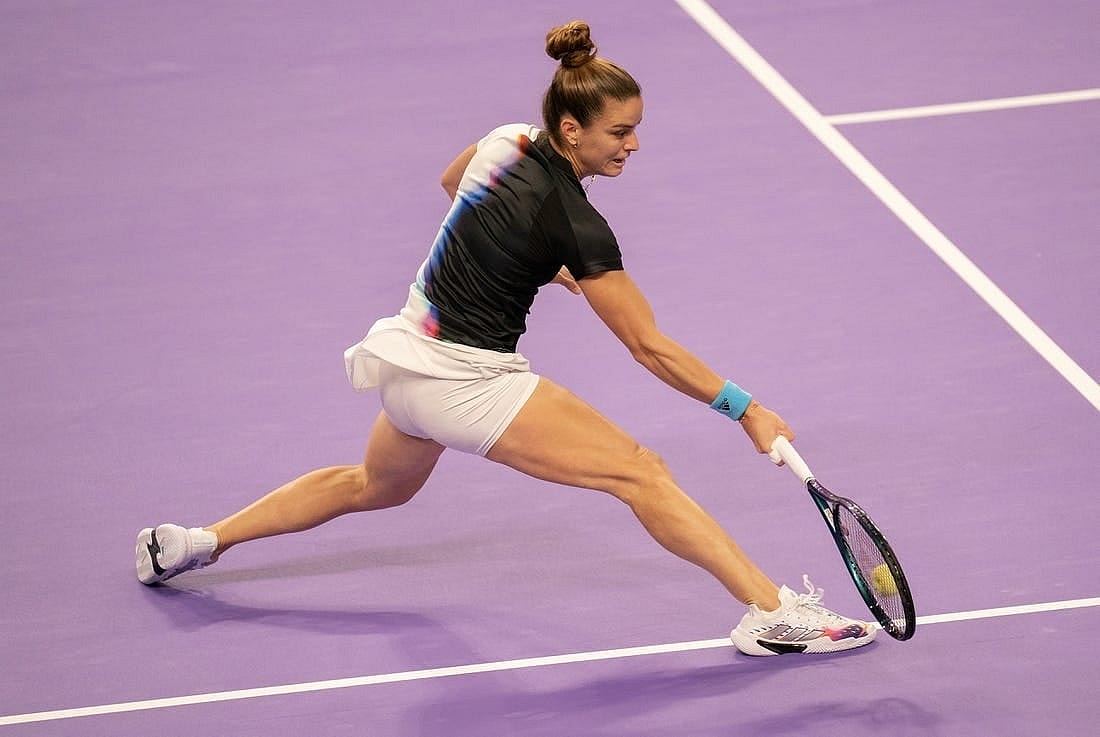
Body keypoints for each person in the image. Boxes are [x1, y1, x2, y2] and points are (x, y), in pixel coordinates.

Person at [136, 21, 876, 657]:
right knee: (642, 472)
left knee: (372, 486)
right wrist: (746, 409)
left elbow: (452, 183)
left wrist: (533, 260)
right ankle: (771, 612)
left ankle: (201, 540)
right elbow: (648, 347)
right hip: (468, 384)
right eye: (620, 132)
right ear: (572, 130)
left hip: (402, 365)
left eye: (635, 128)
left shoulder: (505, 140)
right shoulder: (579, 225)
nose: (635, 144)